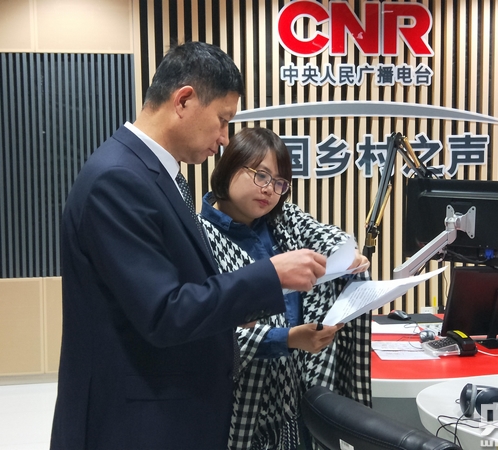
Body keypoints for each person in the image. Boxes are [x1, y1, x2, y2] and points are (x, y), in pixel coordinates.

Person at [50, 42, 328, 450]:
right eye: (222, 120)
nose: (224, 139)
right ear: (184, 100)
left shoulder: (153, 175)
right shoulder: (118, 179)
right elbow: (165, 312)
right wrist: (270, 276)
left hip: (167, 413)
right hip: (135, 424)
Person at [199, 127, 372, 450]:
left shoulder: (283, 220)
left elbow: (329, 237)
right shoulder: (201, 237)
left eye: (280, 183)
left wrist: (348, 257)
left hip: (294, 392)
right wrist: (288, 339)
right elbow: (210, 331)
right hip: (237, 404)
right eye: (261, 175)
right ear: (229, 166)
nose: (269, 190)